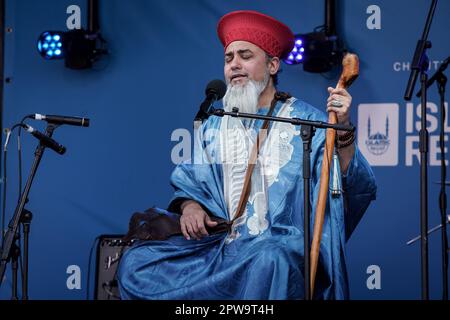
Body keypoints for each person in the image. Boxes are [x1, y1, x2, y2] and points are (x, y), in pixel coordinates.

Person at [117, 10, 376, 300]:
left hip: (274, 249)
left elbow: (352, 184)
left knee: (270, 258)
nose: (234, 65)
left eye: (245, 56)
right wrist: (191, 207)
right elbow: (190, 182)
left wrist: (342, 129)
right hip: (218, 248)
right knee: (136, 265)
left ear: (273, 65)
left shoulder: (306, 121)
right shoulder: (215, 123)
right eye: (229, 59)